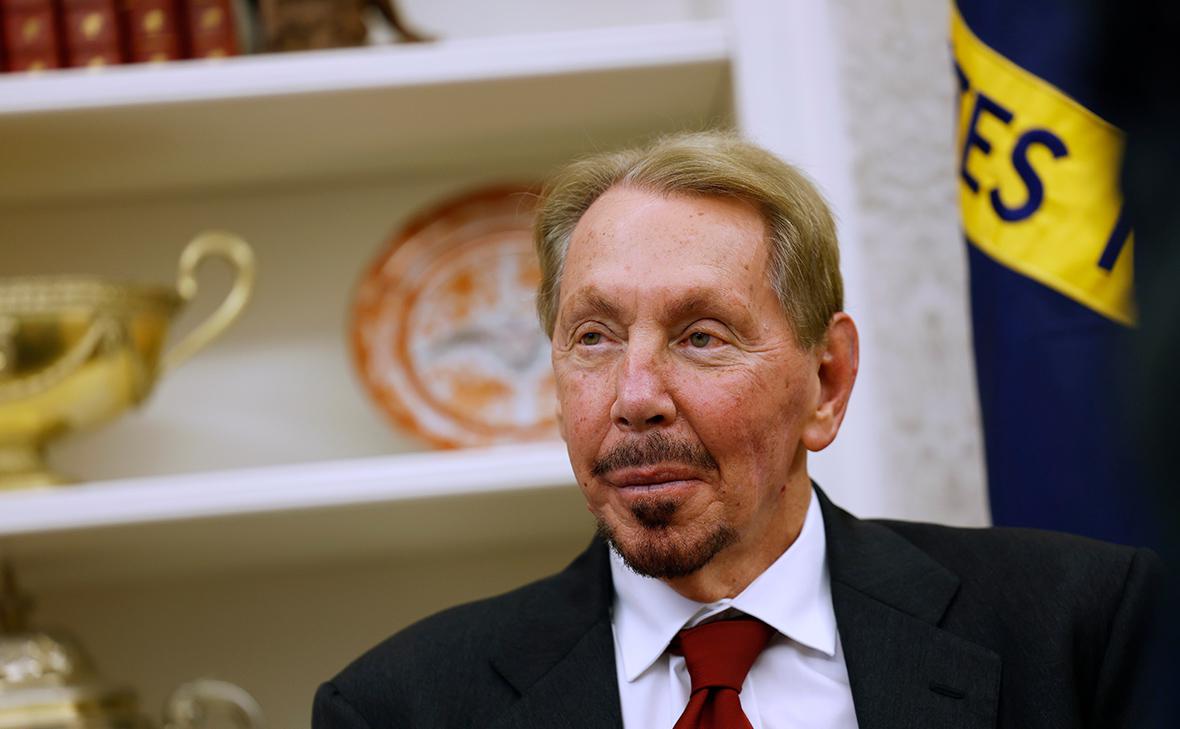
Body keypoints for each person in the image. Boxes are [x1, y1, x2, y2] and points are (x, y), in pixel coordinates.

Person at [312, 132, 1162, 729]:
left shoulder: (1076, 628)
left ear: (826, 382)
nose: (634, 396)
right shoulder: (400, 707)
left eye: (701, 337)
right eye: (594, 337)